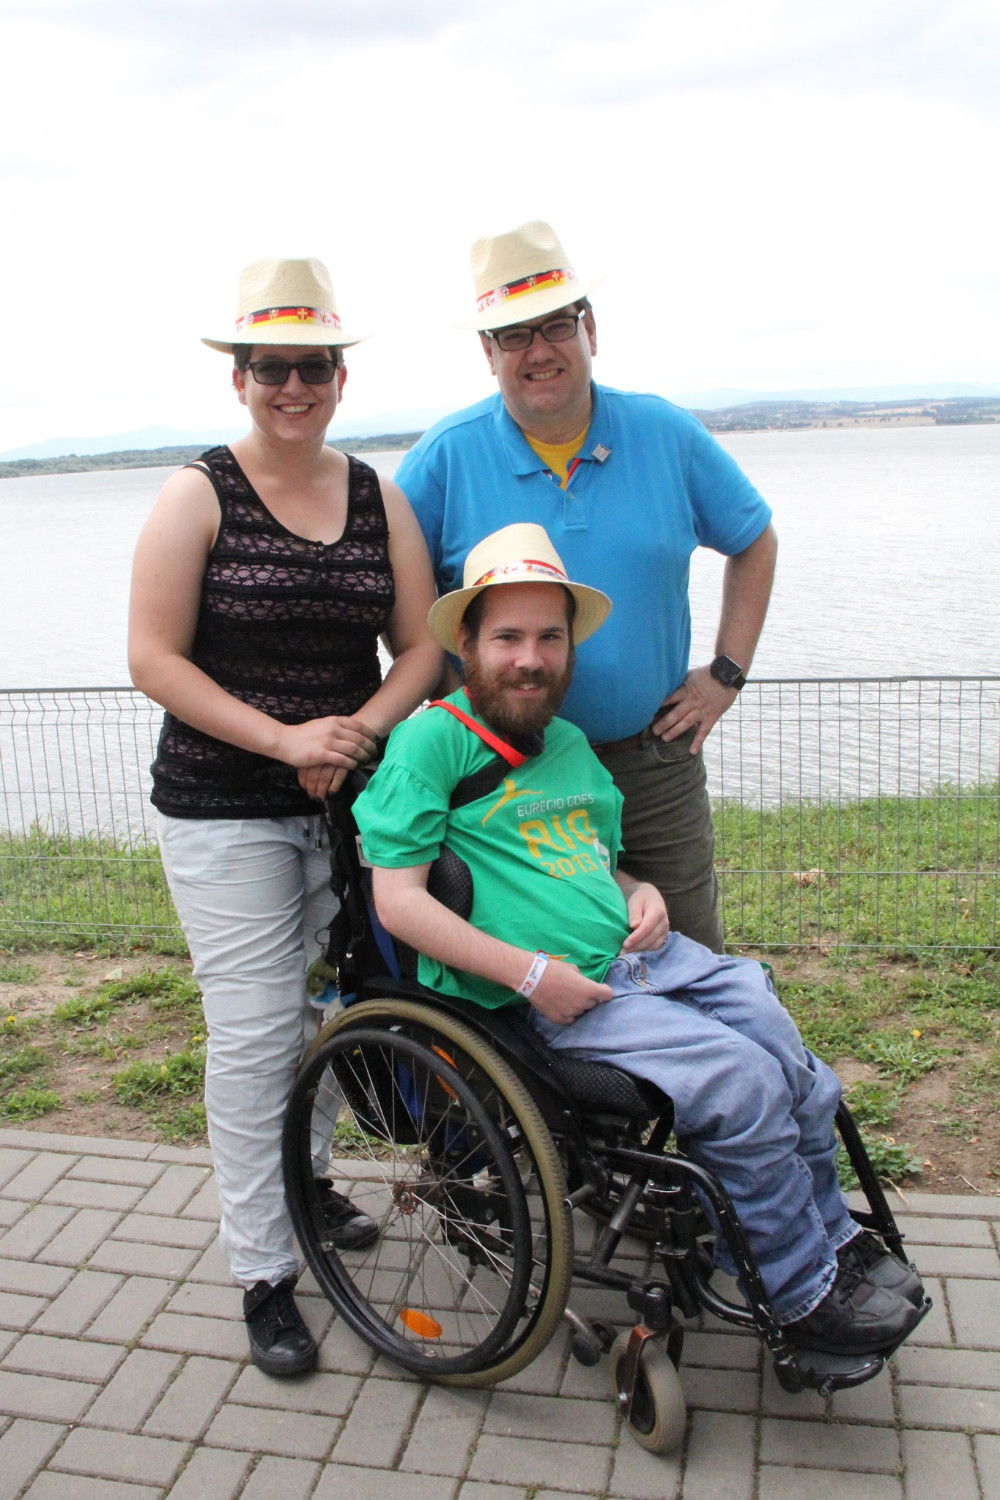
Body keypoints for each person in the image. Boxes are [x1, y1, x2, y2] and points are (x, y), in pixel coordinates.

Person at [353, 523, 924, 1356]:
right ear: (466, 644)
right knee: (740, 1084)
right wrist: (532, 975)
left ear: (569, 648)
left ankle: (830, 1241)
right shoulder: (431, 742)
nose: (530, 659)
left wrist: (640, 891)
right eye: (507, 637)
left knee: (795, 1066)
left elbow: (596, 863)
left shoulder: (568, 745)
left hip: (651, 960)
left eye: (550, 638)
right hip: (559, 994)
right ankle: (797, 1290)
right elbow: (400, 904)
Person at [128, 257, 442, 1377]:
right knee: (257, 1036)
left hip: (346, 807)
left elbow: (424, 648)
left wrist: (351, 734)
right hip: (225, 811)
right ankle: (264, 1269)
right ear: (241, 378)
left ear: (340, 377)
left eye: (312, 367)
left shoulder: (376, 495)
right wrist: (284, 741)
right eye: (272, 368)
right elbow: (153, 658)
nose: (292, 387)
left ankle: (306, 1184)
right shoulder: (197, 494)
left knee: (329, 1015)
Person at [395, 220, 778, 952]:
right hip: (502, 773)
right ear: (488, 353)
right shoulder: (445, 458)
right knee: (534, 968)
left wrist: (725, 674)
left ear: (589, 329)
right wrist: (450, 701)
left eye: (555, 325)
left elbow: (755, 541)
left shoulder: (666, 434)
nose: (538, 350)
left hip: (652, 762)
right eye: (513, 334)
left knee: (687, 953)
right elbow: (400, 598)